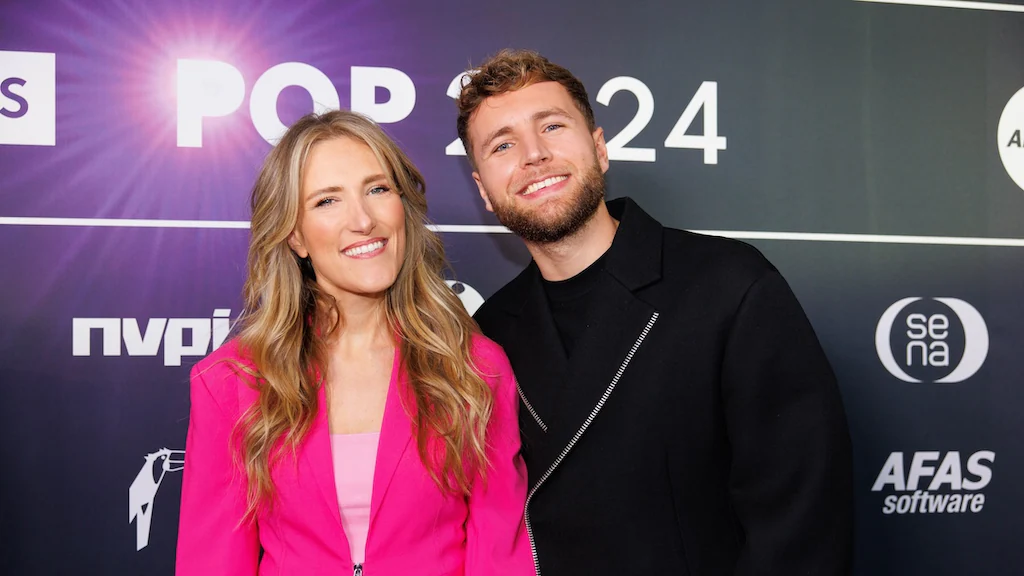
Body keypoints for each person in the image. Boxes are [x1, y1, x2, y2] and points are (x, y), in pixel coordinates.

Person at [456, 49, 853, 575]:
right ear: (483, 190)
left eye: (551, 126)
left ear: (599, 148)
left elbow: (802, 520)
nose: (534, 155)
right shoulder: (490, 332)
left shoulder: (727, 284)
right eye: (503, 144)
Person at [176, 110, 535, 576]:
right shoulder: (231, 382)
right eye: (327, 200)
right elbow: (212, 564)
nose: (363, 220)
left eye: (377, 189)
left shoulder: (475, 369)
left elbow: (500, 557)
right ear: (295, 236)